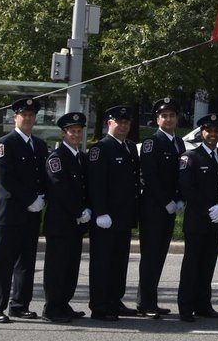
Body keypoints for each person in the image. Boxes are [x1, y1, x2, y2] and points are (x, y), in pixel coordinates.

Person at [0, 96, 48, 323]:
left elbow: (44, 176)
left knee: (26, 263)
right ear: (16, 117)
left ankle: (20, 305)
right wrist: (30, 199)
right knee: (3, 263)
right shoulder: (5, 144)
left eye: (32, 116)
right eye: (25, 115)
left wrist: (43, 196)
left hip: (31, 214)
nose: (28, 119)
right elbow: (7, 179)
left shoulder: (39, 145)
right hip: (10, 215)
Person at [177, 113, 218, 322]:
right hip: (197, 220)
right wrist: (208, 209)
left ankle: (203, 305)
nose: (213, 134)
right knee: (192, 265)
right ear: (202, 132)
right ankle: (185, 307)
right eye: (209, 130)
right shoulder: (189, 157)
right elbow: (187, 188)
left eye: (217, 131)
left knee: (208, 265)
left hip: (217, 220)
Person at [87, 105, 141, 320]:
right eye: (119, 122)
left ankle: (114, 300)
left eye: (127, 123)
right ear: (110, 123)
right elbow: (95, 183)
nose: (124, 126)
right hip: (105, 218)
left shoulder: (128, 147)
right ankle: (99, 306)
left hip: (124, 216)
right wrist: (100, 211)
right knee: (102, 263)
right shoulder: (100, 148)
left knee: (119, 262)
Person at [137, 96, 186, 318]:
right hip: (153, 208)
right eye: (164, 116)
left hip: (170, 207)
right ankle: (145, 303)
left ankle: (152, 301)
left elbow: (180, 176)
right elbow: (149, 176)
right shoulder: (151, 143)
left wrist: (180, 198)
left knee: (160, 255)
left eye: (172, 115)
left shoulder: (179, 143)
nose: (168, 119)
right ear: (157, 120)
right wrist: (165, 201)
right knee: (150, 257)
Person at [41, 111, 90, 324]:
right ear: (64, 134)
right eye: (72, 132)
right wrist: (79, 211)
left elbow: (84, 188)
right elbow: (60, 189)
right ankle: (52, 308)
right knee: (56, 268)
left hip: (76, 225)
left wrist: (87, 208)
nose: (76, 135)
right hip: (60, 223)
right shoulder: (57, 158)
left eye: (79, 131)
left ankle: (64, 303)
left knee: (71, 267)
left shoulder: (81, 157)